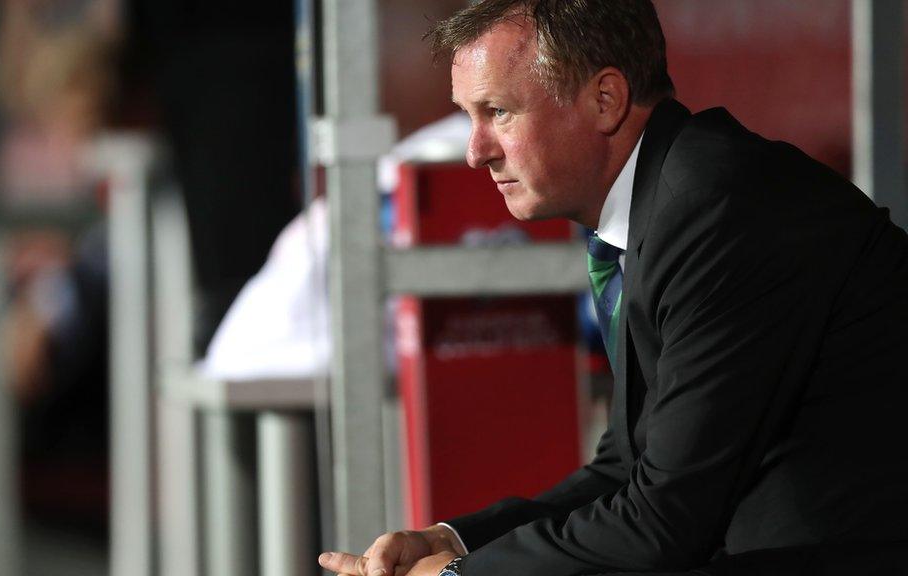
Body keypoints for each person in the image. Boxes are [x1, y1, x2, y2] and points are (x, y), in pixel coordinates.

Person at [318, 0, 908, 575]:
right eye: (469, 116)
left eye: (497, 111)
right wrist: (447, 542)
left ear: (605, 100)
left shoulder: (716, 208)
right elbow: (627, 470)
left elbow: (663, 522)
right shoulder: (665, 201)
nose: (476, 153)